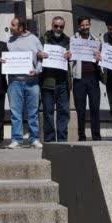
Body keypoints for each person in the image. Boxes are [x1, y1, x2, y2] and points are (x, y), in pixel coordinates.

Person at [6, 16, 45, 148]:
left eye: (13, 25)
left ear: (21, 27)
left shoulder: (34, 39)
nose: (10, 27)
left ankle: (34, 138)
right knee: (15, 112)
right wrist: (4, 61)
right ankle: (17, 139)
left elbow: (42, 56)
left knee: (32, 112)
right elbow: (8, 59)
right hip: (14, 82)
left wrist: (38, 70)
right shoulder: (10, 41)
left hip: (32, 82)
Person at [40, 15, 71, 144]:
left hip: (63, 82)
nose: (58, 28)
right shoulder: (44, 38)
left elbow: (74, 57)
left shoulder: (68, 40)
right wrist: (39, 54)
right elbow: (35, 53)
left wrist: (70, 55)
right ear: (52, 26)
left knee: (63, 112)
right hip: (48, 82)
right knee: (48, 112)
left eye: (61, 26)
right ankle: (49, 140)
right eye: (56, 26)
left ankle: (62, 140)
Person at [70, 17, 102, 141]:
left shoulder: (96, 40)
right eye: (82, 25)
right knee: (80, 109)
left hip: (93, 78)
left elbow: (101, 59)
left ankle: (96, 136)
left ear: (90, 25)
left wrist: (100, 57)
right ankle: (81, 136)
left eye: (87, 25)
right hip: (79, 79)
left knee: (95, 108)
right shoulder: (73, 40)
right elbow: (70, 58)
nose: (85, 27)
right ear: (79, 27)